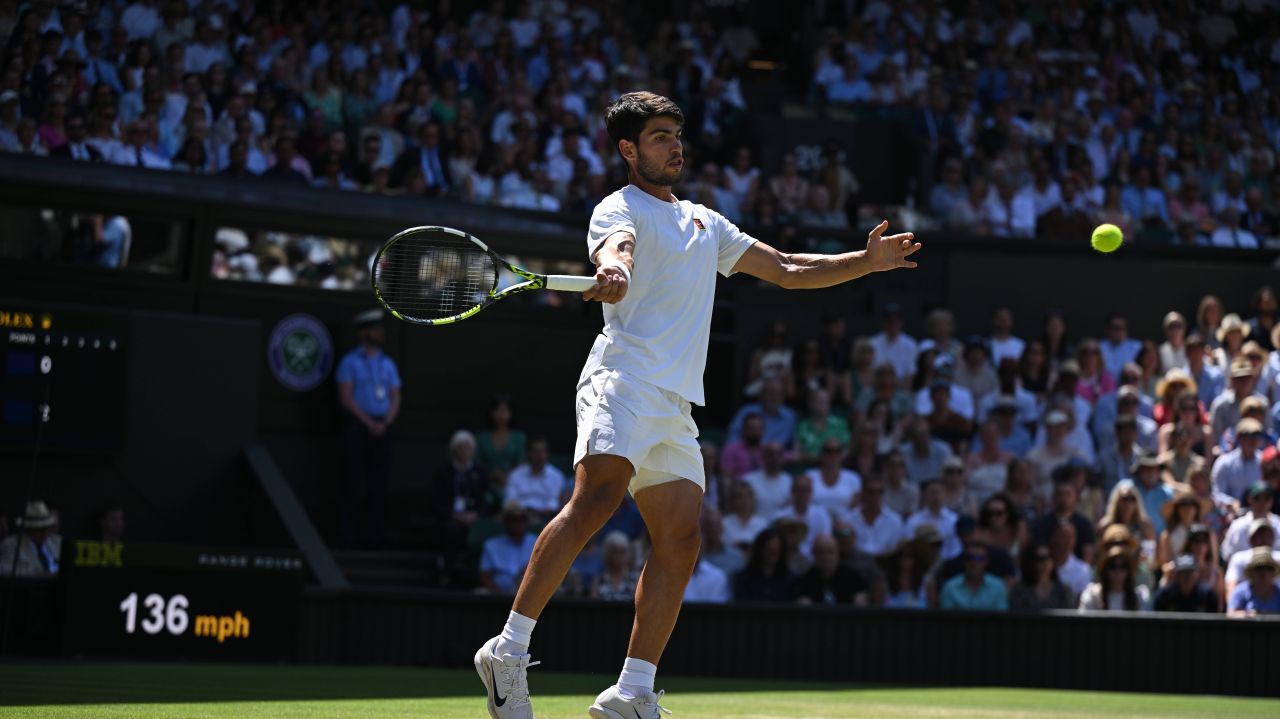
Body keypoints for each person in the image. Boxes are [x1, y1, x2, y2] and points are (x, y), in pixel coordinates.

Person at [473, 91, 921, 719]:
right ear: (629, 149)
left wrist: (867, 263)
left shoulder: (707, 224)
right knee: (596, 500)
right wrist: (615, 270)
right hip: (623, 380)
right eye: (659, 136)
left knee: (680, 541)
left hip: (676, 402)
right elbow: (616, 248)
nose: (674, 145)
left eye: (676, 134)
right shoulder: (617, 207)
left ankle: (631, 692)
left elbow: (790, 268)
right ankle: (507, 651)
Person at [336, 309, 402, 549]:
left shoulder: (387, 364)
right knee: (353, 481)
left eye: (380, 329)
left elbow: (395, 397)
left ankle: (375, 537)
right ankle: (347, 537)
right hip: (358, 426)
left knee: (378, 484)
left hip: (382, 428)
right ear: (364, 332)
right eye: (374, 329)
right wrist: (368, 422)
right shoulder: (350, 362)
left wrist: (385, 422)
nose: (379, 333)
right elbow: (346, 397)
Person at [504, 437, 568, 524]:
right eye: (535, 451)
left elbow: (554, 504)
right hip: (519, 519)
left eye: (542, 451)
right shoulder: (516, 474)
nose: (538, 455)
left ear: (547, 454)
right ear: (529, 453)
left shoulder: (556, 476)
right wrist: (526, 513)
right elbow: (510, 501)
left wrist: (537, 513)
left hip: (548, 519)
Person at [793, 533, 870, 605]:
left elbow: (862, 600)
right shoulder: (806, 580)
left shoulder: (853, 577)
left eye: (830, 552)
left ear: (838, 552)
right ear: (814, 554)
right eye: (821, 552)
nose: (826, 557)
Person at [480, 502, 538, 594]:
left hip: (530, 594)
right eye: (514, 519)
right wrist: (498, 595)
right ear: (506, 522)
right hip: (497, 595)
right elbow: (485, 575)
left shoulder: (537, 542)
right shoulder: (491, 545)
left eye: (522, 519)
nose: (519, 523)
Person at [939, 541, 1009, 611]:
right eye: (969, 558)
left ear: (986, 562)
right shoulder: (950, 587)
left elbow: (1002, 619)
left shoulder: (998, 587)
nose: (974, 563)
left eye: (979, 559)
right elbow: (946, 619)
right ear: (963, 561)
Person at [1078, 545, 1152, 612]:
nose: (1117, 571)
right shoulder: (1092, 595)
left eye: (1123, 566)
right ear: (1105, 569)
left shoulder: (1140, 597)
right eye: (1112, 566)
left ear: (1129, 571)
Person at [0, 501, 62, 577]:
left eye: (47, 528)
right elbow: (5, 570)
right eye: (40, 529)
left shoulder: (57, 542)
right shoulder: (11, 545)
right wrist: (38, 575)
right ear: (29, 529)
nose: (45, 533)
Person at [1010, 542, 1074, 611]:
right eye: (1040, 559)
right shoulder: (1020, 590)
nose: (1045, 562)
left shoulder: (1063, 590)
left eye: (1048, 557)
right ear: (1031, 562)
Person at [1213, 418, 1264, 501]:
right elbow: (1217, 493)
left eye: (1256, 436)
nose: (1251, 441)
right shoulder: (1224, 463)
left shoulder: (1265, 462)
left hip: (1260, 511)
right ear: (1239, 438)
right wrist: (1231, 503)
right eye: (1247, 436)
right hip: (1231, 512)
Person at [476, 395, 528, 477]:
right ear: (491, 413)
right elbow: (477, 464)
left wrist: (505, 476)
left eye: (504, 411)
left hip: (513, 483)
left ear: (510, 414)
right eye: (497, 410)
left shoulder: (519, 438)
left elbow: (521, 464)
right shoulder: (481, 438)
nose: (501, 415)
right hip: (485, 482)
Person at [740, 442, 792, 520]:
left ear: (782, 458)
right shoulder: (748, 480)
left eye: (778, 455)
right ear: (764, 457)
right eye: (771, 454)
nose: (774, 458)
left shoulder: (789, 482)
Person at [1153, 554, 1220, 613]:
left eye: (1190, 573)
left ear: (1196, 574)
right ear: (1176, 575)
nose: (1187, 577)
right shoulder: (1165, 596)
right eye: (1183, 573)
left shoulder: (1207, 595)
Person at [1227, 547, 1280, 616]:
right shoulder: (1240, 591)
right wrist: (1248, 615)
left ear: (1273, 572)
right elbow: (1231, 614)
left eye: (1268, 568)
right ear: (1252, 572)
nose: (1264, 573)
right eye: (1259, 568)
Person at [590, 531, 639, 601]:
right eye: (615, 552)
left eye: (623, 552)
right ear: (608, 554)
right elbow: (593, 606)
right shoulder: (598, 580)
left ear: (629, 554)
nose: (619, 556)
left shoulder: (636, 580)